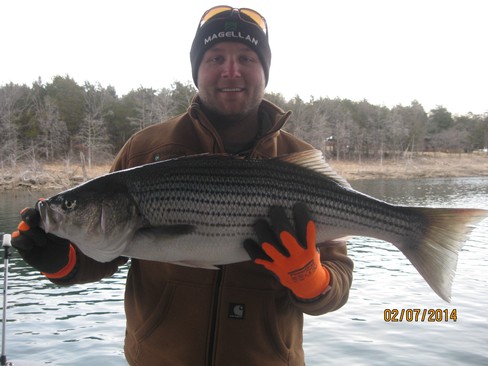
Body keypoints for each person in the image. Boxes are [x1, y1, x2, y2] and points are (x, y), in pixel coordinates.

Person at [12, 6, 353, 366]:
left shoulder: (298, 158)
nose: (231, 70)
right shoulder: (144, 150)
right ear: (197, 70)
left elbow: (337, 283)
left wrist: (310, 280)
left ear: (264, 70)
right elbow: (105, 252)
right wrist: (61, 260)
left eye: (247, 58)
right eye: (216, 57)